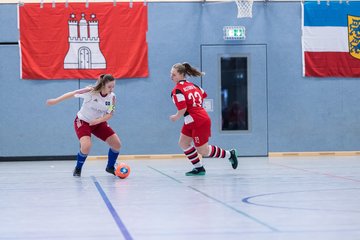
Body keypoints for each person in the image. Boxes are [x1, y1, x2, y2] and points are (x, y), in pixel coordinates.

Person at [169, 62, 238, 176]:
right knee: (183, 143)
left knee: (203, 150)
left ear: (182, 74)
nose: (171, 77)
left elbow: (183, 108)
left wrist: (176, 117)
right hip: (192, 119)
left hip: (198, 121)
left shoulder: (177, 90)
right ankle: (199, 168)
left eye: (174, 74)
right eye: (171, 74)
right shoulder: (195, 86)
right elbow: (203, 95)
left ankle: (230, 154)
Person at [46, 74, 121, 177]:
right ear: (103, 85)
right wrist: (56, 100)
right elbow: (72, 94)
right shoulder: (90, 91)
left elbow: (110, 113)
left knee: (117, 144)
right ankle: (78, 168)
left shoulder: (112, 97)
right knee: (86, 145)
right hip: (83, 121)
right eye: (109, 87)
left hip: (98, 123)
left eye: (113, 86)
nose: (112, 89)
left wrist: (98, 120)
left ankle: (110, 167)